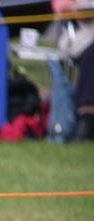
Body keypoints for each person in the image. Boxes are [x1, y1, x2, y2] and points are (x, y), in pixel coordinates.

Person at [53, 0, 94, 140]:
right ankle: (86, 116)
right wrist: (76, 9)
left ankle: (87, 117)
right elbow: (60, 6)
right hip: (81, 36)